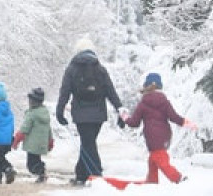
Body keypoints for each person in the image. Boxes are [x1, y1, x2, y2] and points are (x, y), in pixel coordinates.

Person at [55, 36, 124, 185]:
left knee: (88, 143)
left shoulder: (71, 69)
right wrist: (120, 109)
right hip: (98, 114)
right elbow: (110, 91)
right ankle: (81, 175)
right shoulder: (100, 69)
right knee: (88, 143)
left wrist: (59, 111)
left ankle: (96, 174)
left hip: (80, 114)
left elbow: (64, 92)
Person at [119, 73, 197, 183]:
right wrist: (186, 123)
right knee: (153, 159)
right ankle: (152, 181)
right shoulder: (164, 101)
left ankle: (178, 178)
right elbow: (174, 117)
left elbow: (134, 123)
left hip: (152, 137)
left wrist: (125, 117)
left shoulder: (143, 103)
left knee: (161, 159)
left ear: (146, 86)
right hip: (165, 135)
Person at [11, 87, 53, 183]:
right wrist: (50, 141)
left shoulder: (31, 114)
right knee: (36, 160)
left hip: (32, 145)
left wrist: (16, 140)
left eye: (30, 100)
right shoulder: (45, 113)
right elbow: (49, 129)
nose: (29, 102)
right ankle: (41, 174)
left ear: (34, 101)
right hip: (41, 144)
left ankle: (42, 172)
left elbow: (24, 129)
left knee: (31, 165)